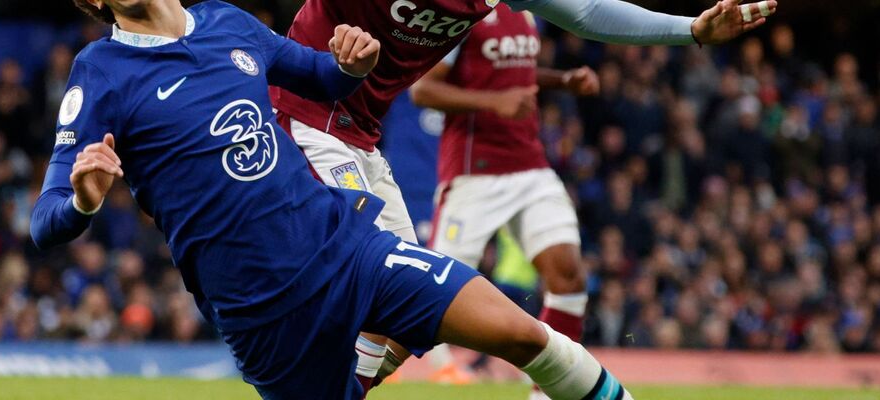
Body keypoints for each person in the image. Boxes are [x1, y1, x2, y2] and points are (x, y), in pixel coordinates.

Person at [36, 0, 642, 399]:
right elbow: (46, 221)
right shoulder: (101, 72)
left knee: (525, 336)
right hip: (261, 308)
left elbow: (319, 76)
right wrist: (83, 204)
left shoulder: (226, 23)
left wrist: (354, 64)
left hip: (347, 249)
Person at [268, 0, 777, 387]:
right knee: (380, 288)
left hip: (362, 136)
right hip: (306, 114)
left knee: (402, 318)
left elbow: (589, 10)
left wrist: (689, 30)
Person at [408, 5, 599, 398]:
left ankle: (546, 393)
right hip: (474, 173)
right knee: (432, 293)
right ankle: (359, 371)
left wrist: (563, 80)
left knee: (569, 277)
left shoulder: (528, 14)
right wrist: (495, 103)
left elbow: (515, 76)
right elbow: (423, 89)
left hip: (530, 166)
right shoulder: (461, 12)